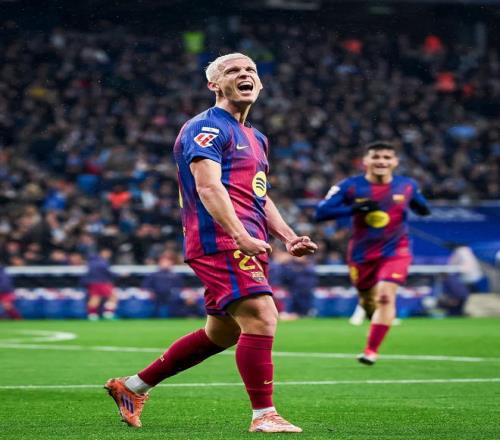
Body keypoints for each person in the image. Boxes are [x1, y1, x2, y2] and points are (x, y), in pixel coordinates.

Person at [104, 53, 318, 433]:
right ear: (214, 84)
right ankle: (264, 415)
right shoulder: (206, 127)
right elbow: (208, 186)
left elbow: (259, 196)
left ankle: (132, 387)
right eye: (232, 70)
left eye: (250, 70)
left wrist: (288, 236)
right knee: (262, 316)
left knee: (223, 333)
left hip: (247, 240)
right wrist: (239, 234)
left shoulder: (257, 137)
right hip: (221, 239)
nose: (244, 74)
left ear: (260, 83)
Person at [315, 141, 431, 365]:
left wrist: (422, 206)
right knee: (369, 301)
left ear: (395, 162)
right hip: (362, 254)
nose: (381, 161)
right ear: (366, 161)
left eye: (387, 157)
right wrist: (355, 208)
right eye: (376, 156)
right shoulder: (349, 186)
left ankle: (370, 351)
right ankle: (373, 316)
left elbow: (422, 206)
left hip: (396, 250)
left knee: (386, 296)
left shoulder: (407, 185)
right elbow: (321, 213)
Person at [141, 252, 185, 317]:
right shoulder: (153, 275)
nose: (166, 264)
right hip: (156, 296)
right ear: (159, 263)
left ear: (171, 263)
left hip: (171, 296)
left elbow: (180, 288)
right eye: (164, 262)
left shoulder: (175, 276)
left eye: (168, 262)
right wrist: (150, 292)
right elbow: (145, 286)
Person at [82, 248, 118, 320]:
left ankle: (92, 315)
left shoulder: (91, 261)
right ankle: (108, 314)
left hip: (92, 283)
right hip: (102, 282)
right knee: (113, 296)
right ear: (103, 253)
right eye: (108, 253)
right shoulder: (102, 262)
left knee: (95, 297)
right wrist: (118, 275)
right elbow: (107, 272)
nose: (109, 255)